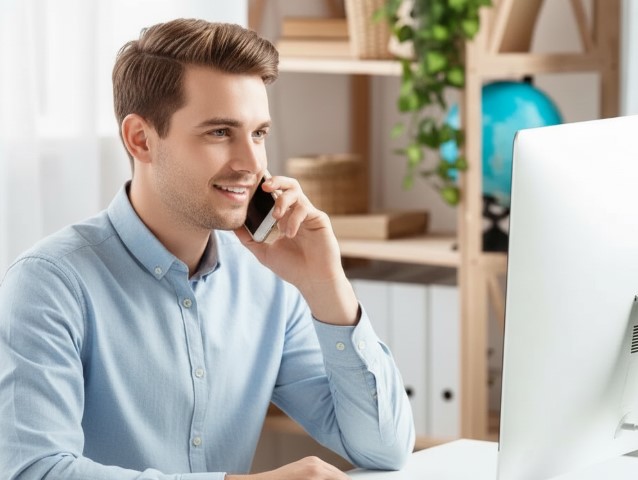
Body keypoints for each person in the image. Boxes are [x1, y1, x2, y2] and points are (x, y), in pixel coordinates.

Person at [0, 18, 414, 480]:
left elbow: (385, 449)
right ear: (141, 139)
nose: (252, 164)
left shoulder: (269, 279)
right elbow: (34, 471)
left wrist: (327, 286)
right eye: (220, 133)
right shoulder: (48, 284)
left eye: (258, 133)